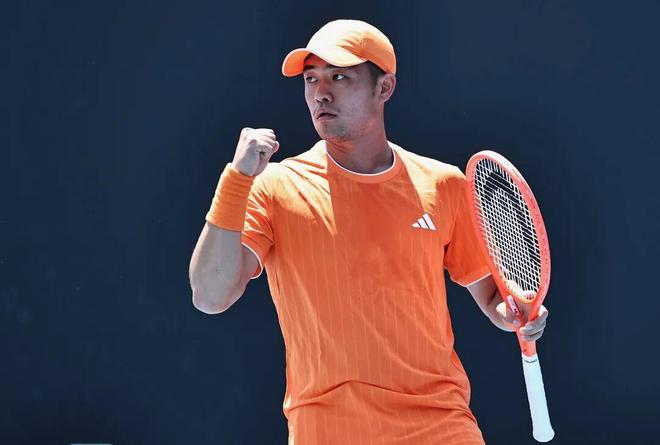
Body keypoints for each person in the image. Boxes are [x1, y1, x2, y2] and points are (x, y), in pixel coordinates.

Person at [189, 19, 549, 445]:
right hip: (327, 431)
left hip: (440, 425)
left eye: (339, 77)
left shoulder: (444, 185)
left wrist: (517, 316)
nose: (321, 93)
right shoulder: (273, 187)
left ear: (385, 87)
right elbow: (210, 296)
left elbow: (493, 299)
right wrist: (237, 179)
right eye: (311, 79)